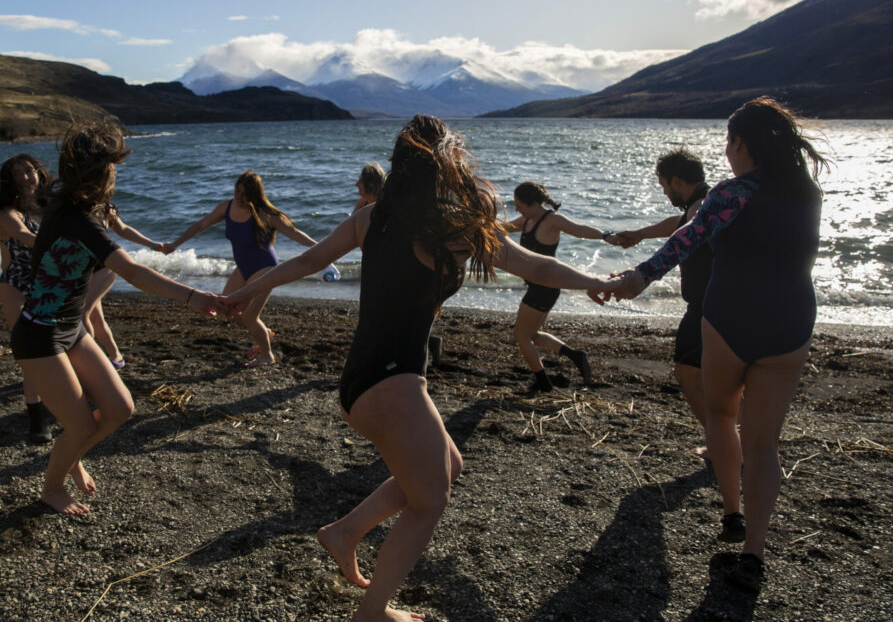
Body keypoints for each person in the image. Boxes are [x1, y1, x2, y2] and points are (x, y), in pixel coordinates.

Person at [222, 115, 622, 621]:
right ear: (448, 164)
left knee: (445, 467)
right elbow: (537, 267)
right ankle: (373, 613)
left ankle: (343, 532)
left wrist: (240, 292)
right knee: (430, 502)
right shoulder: (452, 229)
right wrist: (596, 280)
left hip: (366, 379)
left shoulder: (373, 217)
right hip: (392, 382)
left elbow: (305, 262)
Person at [599, 98, 827, 592]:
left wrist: (638, 277)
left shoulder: (732, 192)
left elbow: (689, 237)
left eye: (729, 142)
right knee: (764, 443)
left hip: (728, 317)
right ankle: (753, 555)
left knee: (722, 416)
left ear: (739, 143)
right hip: (792, 323)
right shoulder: (808, 194)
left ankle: (731, 513)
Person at [11, 122, 220, 515]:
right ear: (97, 174)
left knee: (120, 409)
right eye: (111, 167)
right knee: (81, 426)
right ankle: (53, 486)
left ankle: (70, 453)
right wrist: (192, 295)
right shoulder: (78, 220)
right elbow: (132, 272)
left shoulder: (76, 208)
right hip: (39, 336)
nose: (115, 174)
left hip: (69, 328)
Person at [605, 149, 714, 454]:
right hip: (717, 304)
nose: (665, 192)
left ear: (677, 181)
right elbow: (675, 223)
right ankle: (731, 438)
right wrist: (640, 234)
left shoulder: (701, 209)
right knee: (714, 376)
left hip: (708, 307)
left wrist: (642, 275)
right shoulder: (702, 203)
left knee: (688, 374)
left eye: (665, 186)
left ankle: (723, 441)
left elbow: (685, 229)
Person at [163, 170, 318, 367]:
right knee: (225, 309)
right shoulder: (226, 207)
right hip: (243, 268)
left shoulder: (265, 213)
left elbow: (294, 233)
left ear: (255, 194)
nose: (239, 197)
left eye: (245, 194)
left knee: (251, 316)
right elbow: (201, 225)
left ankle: (267, 356)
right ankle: (265, 333)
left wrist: (326, 248)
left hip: (266, 269)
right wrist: (175, 244)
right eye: (237, 191)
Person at [504, 181, 607, 391]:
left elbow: (580, 230)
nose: (517, 210)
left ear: (533, 204)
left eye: (520, 205)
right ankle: (575, 355)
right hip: (541, 287)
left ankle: (543, 383)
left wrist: (607, 235)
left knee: (521, 336)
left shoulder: (551, 221)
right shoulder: (526, 220)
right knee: (532, 335)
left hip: (544, 287)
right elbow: (502, 229)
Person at [0, 153, 53, 444]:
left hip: (48, 283)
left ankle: (62, 401)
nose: (26, 177)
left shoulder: (51, 206)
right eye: (18, 174)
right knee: (30, 353)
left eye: (30, 170)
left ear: (39, 173)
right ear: (9, 181)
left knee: (55, 348)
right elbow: (25, 236)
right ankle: (37, 422)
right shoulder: (6, 212)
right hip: (15, 284)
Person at [84, 204, 167, 370]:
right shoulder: (70, 204)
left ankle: (86, 363)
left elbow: (122, 229)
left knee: (82, 313)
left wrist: (153, 245)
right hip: (82, 267)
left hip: (104, 266)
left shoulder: (104, 207)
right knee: (95, 317)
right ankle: (116, 357)